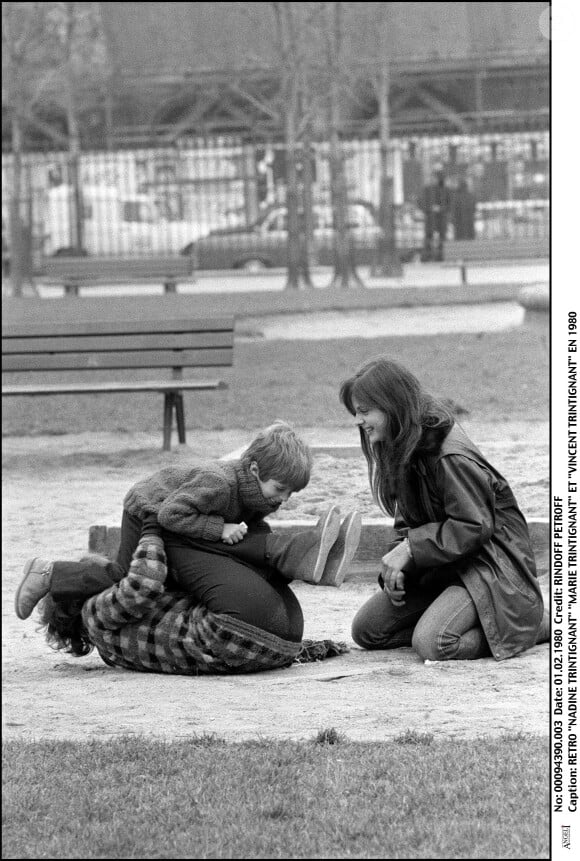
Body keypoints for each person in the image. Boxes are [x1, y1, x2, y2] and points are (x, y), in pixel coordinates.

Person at [339, 356, 548, 662]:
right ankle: (476, 619)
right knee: (368, 631)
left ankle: (533, 624)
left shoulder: (449, 455)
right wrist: (399, 570)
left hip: (487, 569)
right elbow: (406, 523)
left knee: (433, 643)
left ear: (391, 406)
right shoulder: (401, 443)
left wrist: (411, 550)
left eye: (364, 411)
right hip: (443, 566)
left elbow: (474, 526)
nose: (359, 420)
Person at [34, 518, 350, 675]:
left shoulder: (112, 651)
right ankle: (296, 553)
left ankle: (299, 555)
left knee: (207, 552)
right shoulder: (96, 614)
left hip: (280, 638)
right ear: (82, 594)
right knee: (174, 535)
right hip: (233, 630)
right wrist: (151, 527)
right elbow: (144, 582)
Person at [419, 168, 451, 261]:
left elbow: (449, 204)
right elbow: (422, 202)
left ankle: (441, 256)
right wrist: (430, 208)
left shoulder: (445, 190)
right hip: (430, 217)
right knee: (428, 236)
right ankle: (427, 255)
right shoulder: (427, 189)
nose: (434, 179)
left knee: (442, 236)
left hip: (441, 217)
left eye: (435, 178)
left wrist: (441, 208)